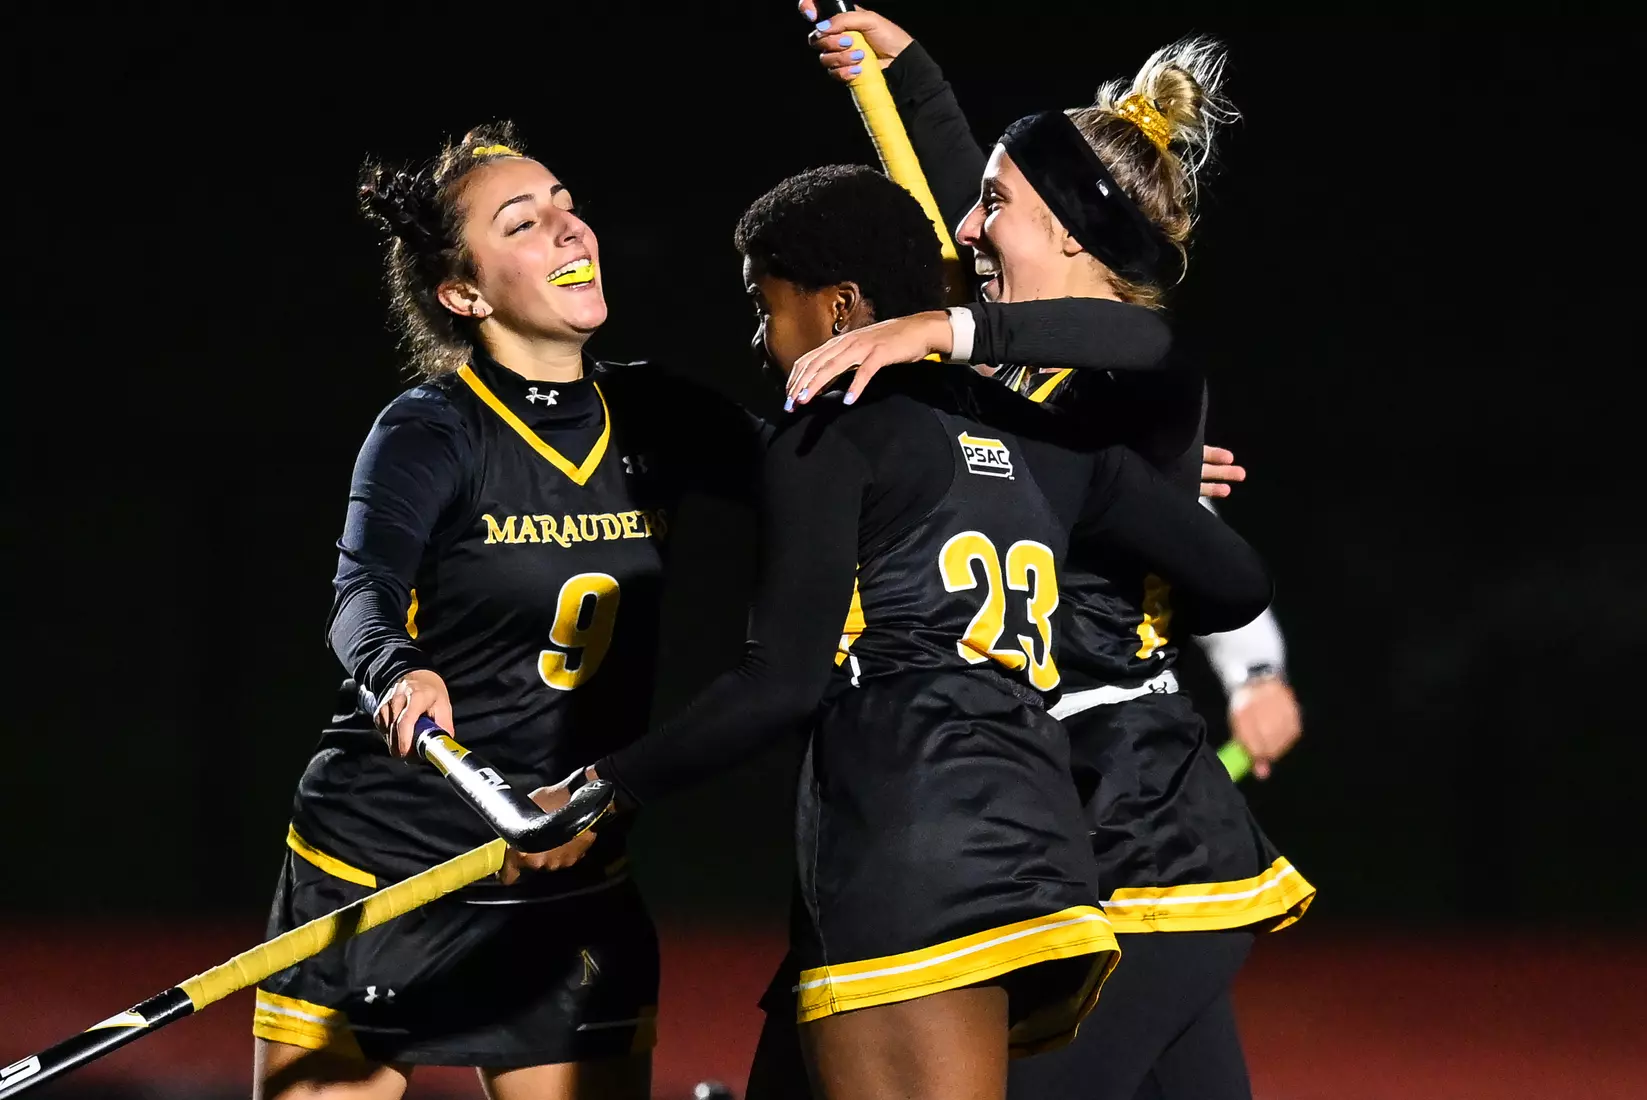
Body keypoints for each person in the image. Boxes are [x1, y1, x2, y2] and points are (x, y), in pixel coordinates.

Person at [560, 164, 1274, 1100]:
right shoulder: (1052, 441)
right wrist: (1147, 499)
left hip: (902, 841)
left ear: (839, 307)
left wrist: (606, 787)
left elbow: (778, 683)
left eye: (763, 305)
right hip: (1044, 858)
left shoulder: (828, 432)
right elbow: (1237, 583)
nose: (757, 335)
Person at [791, 9, 1314, 1098]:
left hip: (1136, 832)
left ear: (1075, 235)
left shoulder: (1134, 379)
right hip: (1062, 819)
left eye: (998, 207)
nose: (967, 230)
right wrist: (912, 76)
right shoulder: (1022, 365)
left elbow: (1137, 336)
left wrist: (941, 330)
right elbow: (971, 211)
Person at [252, 123, 769, 1100]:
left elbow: (833, 482)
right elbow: (360, 593)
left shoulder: (660, 415)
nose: (570, 230)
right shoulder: (430, 430)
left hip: (564, 858)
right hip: (388, 865)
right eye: (523, 223)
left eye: (567, 207)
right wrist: (397, 668)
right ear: (465, 293)